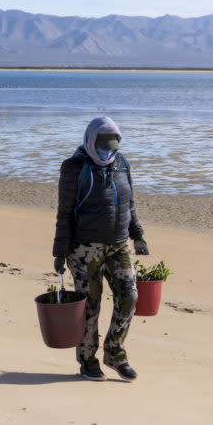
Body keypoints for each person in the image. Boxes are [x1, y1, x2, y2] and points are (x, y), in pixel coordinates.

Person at [52, 116, 150, 382]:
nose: (108, 151)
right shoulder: (74, 167)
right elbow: (64, 212)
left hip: (119, 246)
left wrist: (137, 235)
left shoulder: (122, 163)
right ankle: (88, 360)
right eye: (104, 145)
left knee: (129, 297)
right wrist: (59, 252)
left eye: (113, 145)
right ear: (91, 140)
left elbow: (129, 203)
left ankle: (115, 354)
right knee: (90, 305)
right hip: (85, 249)